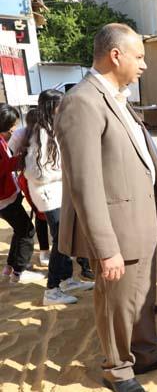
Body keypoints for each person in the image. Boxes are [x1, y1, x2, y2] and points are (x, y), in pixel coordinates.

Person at [56, 23, 157, 392]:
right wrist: (105, 246)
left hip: (140, 220)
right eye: (140, 56)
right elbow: (85, 183)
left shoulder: (116, 96)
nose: (144, 65)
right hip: (116, 228)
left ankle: (144, 353)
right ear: (116, 55)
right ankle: (117, 368)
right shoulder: (83, 101)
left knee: (142, 295)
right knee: (116, 301)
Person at [23, 90, 95, 305]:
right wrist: (65, 172)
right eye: (59, 105)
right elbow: (35, 172)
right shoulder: (41, 134)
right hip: (49, 195)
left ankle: (66, 280)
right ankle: (52, 290)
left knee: (67, 238)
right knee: (61, 242)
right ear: (50, 107)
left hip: (59, 194)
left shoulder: (52, 130)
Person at [0, 104, 38, 284]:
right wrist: (21, 159)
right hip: (4, 199)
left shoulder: (1, 139)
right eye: (11, 125)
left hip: (9, 196)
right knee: (27, 232)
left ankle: (10, 267)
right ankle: (19, 272)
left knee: (19, 230)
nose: (14, 128)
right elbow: (4, 166)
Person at [9, 109, 51, 266]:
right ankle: (45, 252)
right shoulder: (23, 134)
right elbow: (11, 156)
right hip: (32, 180)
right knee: (43, 217)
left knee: (48, 217)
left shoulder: (47, 132)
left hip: (41, 180)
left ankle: (48, 251)